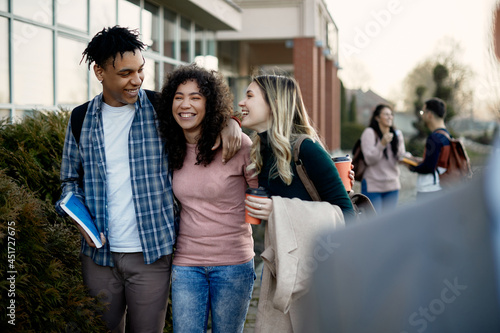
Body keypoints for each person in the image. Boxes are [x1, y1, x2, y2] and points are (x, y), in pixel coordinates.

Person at [302, 4, 500, 332]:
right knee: (380, 237)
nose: (390, 120)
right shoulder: (369, 134)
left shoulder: (400, 135)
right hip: (376, 186)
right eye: (387, 116)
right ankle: (381, 264)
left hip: (393, 183)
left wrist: (401, 153)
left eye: (393, 117)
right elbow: (375, 157)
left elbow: (399, 158)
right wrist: (384, 146)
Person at [55, 26, 241, 332]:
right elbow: (68, 181)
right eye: (126, 73)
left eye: (141, 70)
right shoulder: (80, 119)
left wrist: (230, 123)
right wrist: (77, 216)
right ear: (99, 72)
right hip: (98, 255)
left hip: (152, 253)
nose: (137, 80)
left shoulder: (160, 109)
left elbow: (202, 115)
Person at [238, 74, 355, 332]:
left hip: (317, 270)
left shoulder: (307, 149)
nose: (241, 102)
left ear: (274, 103)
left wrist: (278, 210)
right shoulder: (263, 149)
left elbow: (347, 215)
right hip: (287, 265)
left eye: (249, 95)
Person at [156, 64, 257, 333]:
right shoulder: (169, 146)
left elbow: (265, 194)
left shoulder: (238, 146)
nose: (185, 104)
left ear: (209, 103)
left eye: (195, 97)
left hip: (234, 263)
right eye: (179, 97)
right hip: (187, 264)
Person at [360, 104, 406, 213]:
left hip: (392, 186)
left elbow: (401, 155)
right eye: (386, 114)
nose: (390, 117)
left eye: (391, 114)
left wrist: (412, 160)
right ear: (377, 117)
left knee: (388, 224)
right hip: (373, 186)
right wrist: (382, 144)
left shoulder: (397, 134)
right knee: (374, 224)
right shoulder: (369, 133)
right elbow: (369, 160)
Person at [408, 97, 451, 199]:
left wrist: (411, 166)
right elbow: (438, 162)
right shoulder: (447, 135)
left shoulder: (434, 137)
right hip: (441, 186)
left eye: (423, 112)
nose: (422, 115)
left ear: (430, 115)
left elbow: (429, 167)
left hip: (429, 189)